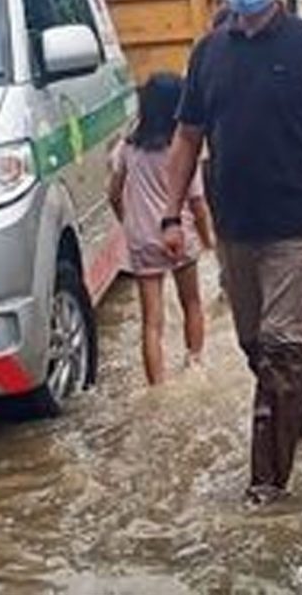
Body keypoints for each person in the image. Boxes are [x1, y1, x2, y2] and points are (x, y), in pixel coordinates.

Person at [161, 0, 302, 504]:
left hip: (297, 226)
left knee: (283, 351)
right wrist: (171, 216)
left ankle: (265, 492)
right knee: (254, 347)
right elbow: (187, 136)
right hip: (235, 227)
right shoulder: (208, 52)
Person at [108, 72, 215, 386]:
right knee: (192, 302)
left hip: (142, 238)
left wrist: (127, 222)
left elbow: (113, 193)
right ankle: (194, 363)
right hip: (180, 236)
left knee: (151, 321)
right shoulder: (182, 151)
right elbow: (197, 203)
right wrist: (209, 241)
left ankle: (157, 385)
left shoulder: (127, 149)